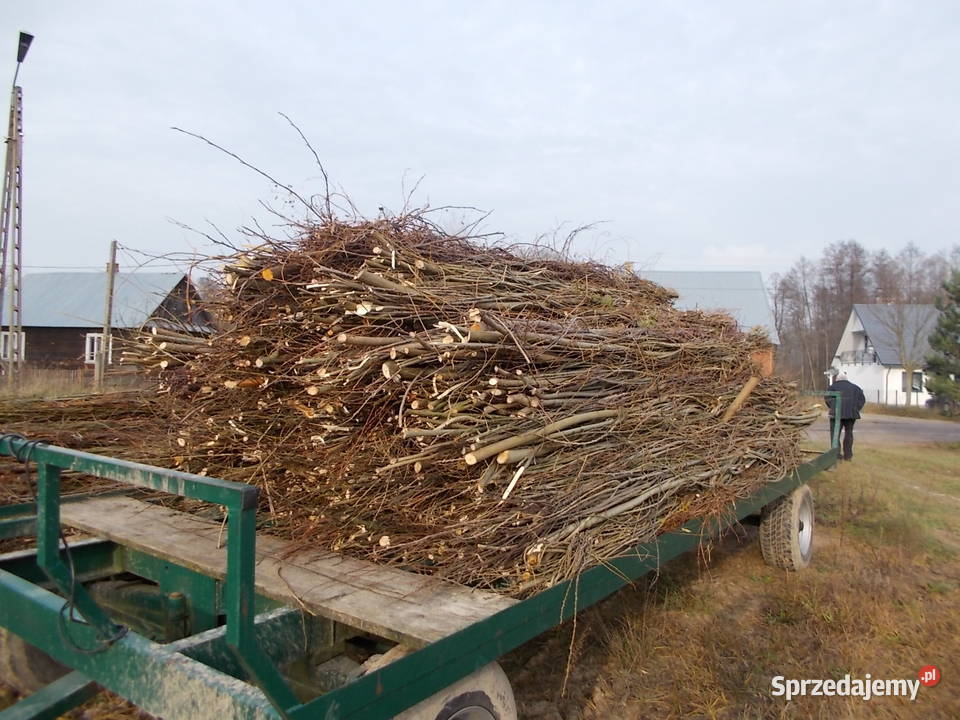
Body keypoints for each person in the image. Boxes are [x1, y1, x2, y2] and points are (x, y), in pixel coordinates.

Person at [826, 372, 866, 461]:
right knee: (849, 434)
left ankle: (836, 455)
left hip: (836, 414)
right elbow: (862, 400)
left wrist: (833, 407)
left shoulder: (832, 387)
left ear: (837, 379)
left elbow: (827, 398)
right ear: (846, 379)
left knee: (835, 435)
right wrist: (856, 408)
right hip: (851, 414)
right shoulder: (856, 388)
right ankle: (848, 456)